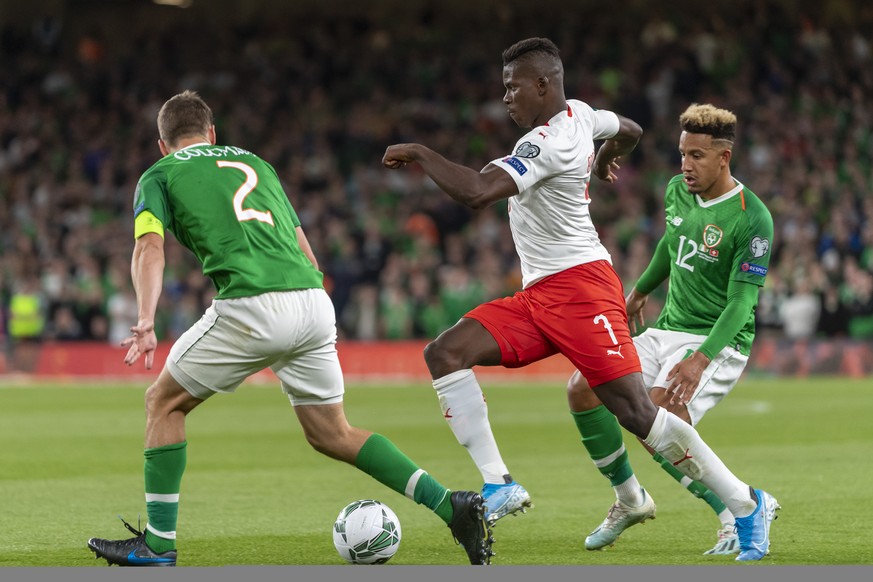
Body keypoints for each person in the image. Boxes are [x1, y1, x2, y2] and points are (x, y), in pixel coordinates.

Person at [382, 38, 778, 562]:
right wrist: (610, 155)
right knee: (445, 353)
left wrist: (421, 153)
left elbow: (477, 191)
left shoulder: (547, 144)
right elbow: (630, 129)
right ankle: (503, 483)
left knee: (641, 414)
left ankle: (745, 504)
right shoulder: (584, 116)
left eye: (513, 87)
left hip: (581, 289)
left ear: (543, 85)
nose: (505, 98)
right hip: (540, 292)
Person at [86, 90, 494, 567]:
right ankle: (452, 506)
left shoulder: (158, 175)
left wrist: (146, 318)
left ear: (162, 143)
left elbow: (149, 248)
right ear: (213, 133)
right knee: (332, 433)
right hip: (312, 302)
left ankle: (157, 545)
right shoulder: (257, 164)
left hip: (252, 305)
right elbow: (306, 249)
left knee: (163, 401)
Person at [566, 103, 779, 556]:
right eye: (683, 154)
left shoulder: (751, 217)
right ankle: (629, 500)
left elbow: (743, 301)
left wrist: (700, 360)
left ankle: (742, 508)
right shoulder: (677, 191)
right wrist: (640, 291)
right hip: (667, 329)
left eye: (697, 156)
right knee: (584, 387)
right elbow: (672, 238)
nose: (686, 165)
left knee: (658, 413)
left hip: (717, 340)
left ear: (724, 157)